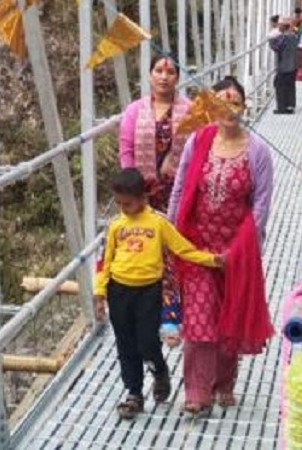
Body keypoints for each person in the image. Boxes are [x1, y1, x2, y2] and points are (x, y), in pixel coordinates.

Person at [167, 77, 275, 416]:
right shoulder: (197, 141)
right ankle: (197, 392)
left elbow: (260, 206)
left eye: (235, 102)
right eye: (221, 102)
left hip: (235, 251)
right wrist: (172, 235)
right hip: (198, 247)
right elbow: (181, 188)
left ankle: (224, 382)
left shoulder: (258, 152)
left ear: (244, 107)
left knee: (230, 318)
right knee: (199, 319)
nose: (229, 108)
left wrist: (238, 251)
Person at [94, 168, 224, 420]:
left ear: (143, 198)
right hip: (118, 291)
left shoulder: (158, 223)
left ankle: (159, 371)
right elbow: (104, 262)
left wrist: (211, 260)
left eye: (127, 204)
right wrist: (99, 295)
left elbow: (182, 248)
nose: (123, 208)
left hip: (148, 291)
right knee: (125, 344)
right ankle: (134, 393)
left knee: (147, 342)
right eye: (118, 203)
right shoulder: (116, 225)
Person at [119, 53, 191, 213]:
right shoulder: (135, 110)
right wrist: (130, 186)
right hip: (142, 189)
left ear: (177, 78)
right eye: (158, 71)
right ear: (150, 76)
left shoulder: (191, 110)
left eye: (170, 72)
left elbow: (199, 147)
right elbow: (126, 150)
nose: (164, 77)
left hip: (180, 187)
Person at [270, 18, 299, 114]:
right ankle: (290, 106)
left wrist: (271, 39)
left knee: (280, 86)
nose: (278, 27)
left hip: (284, 66)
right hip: (293, 65)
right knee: (290, 86)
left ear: (283, 26)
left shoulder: (283, 37)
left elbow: (277, 47)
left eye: (279, 25)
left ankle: (282, 108)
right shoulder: (294, 36)